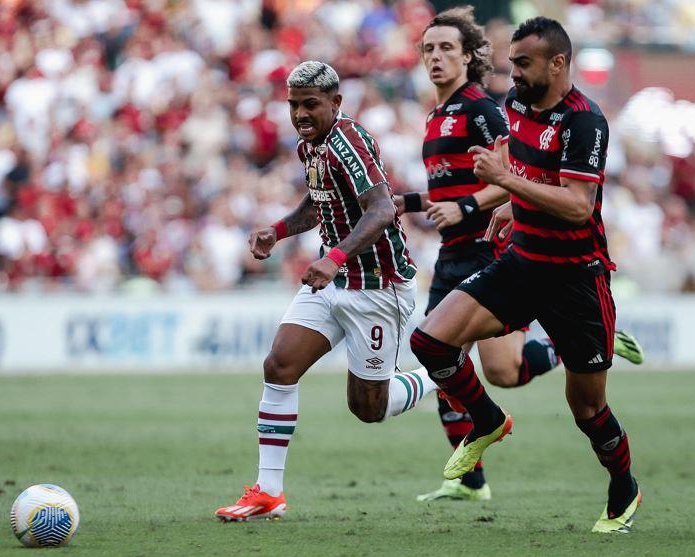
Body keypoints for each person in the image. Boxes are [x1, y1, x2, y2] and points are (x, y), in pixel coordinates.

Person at [396, 7, 644, 503]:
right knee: (430, 343)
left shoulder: (584, 121)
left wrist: (499, 189)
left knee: (586, 409)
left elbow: (576, 206)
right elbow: (525, 177)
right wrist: (509, 203)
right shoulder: (508, 104)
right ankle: (479, 443)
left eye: (523, 64)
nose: (512, 76)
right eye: (511, 64)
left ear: (557, 63)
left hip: (575, 275)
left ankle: (623, 486)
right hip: (520, 263)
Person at [216, 61, 437, 522]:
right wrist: (277, 231)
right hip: (332, 279)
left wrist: (334, 257)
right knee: (279, 364)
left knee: (368, 408)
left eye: (310, 104)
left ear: (336, 103)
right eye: (294, 104)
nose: (299, 113)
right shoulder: (310, 146)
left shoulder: (348, 141)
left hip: (377, 287)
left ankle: (441, 372)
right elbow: (321, 204)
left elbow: (379, 211)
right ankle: (268, 492)